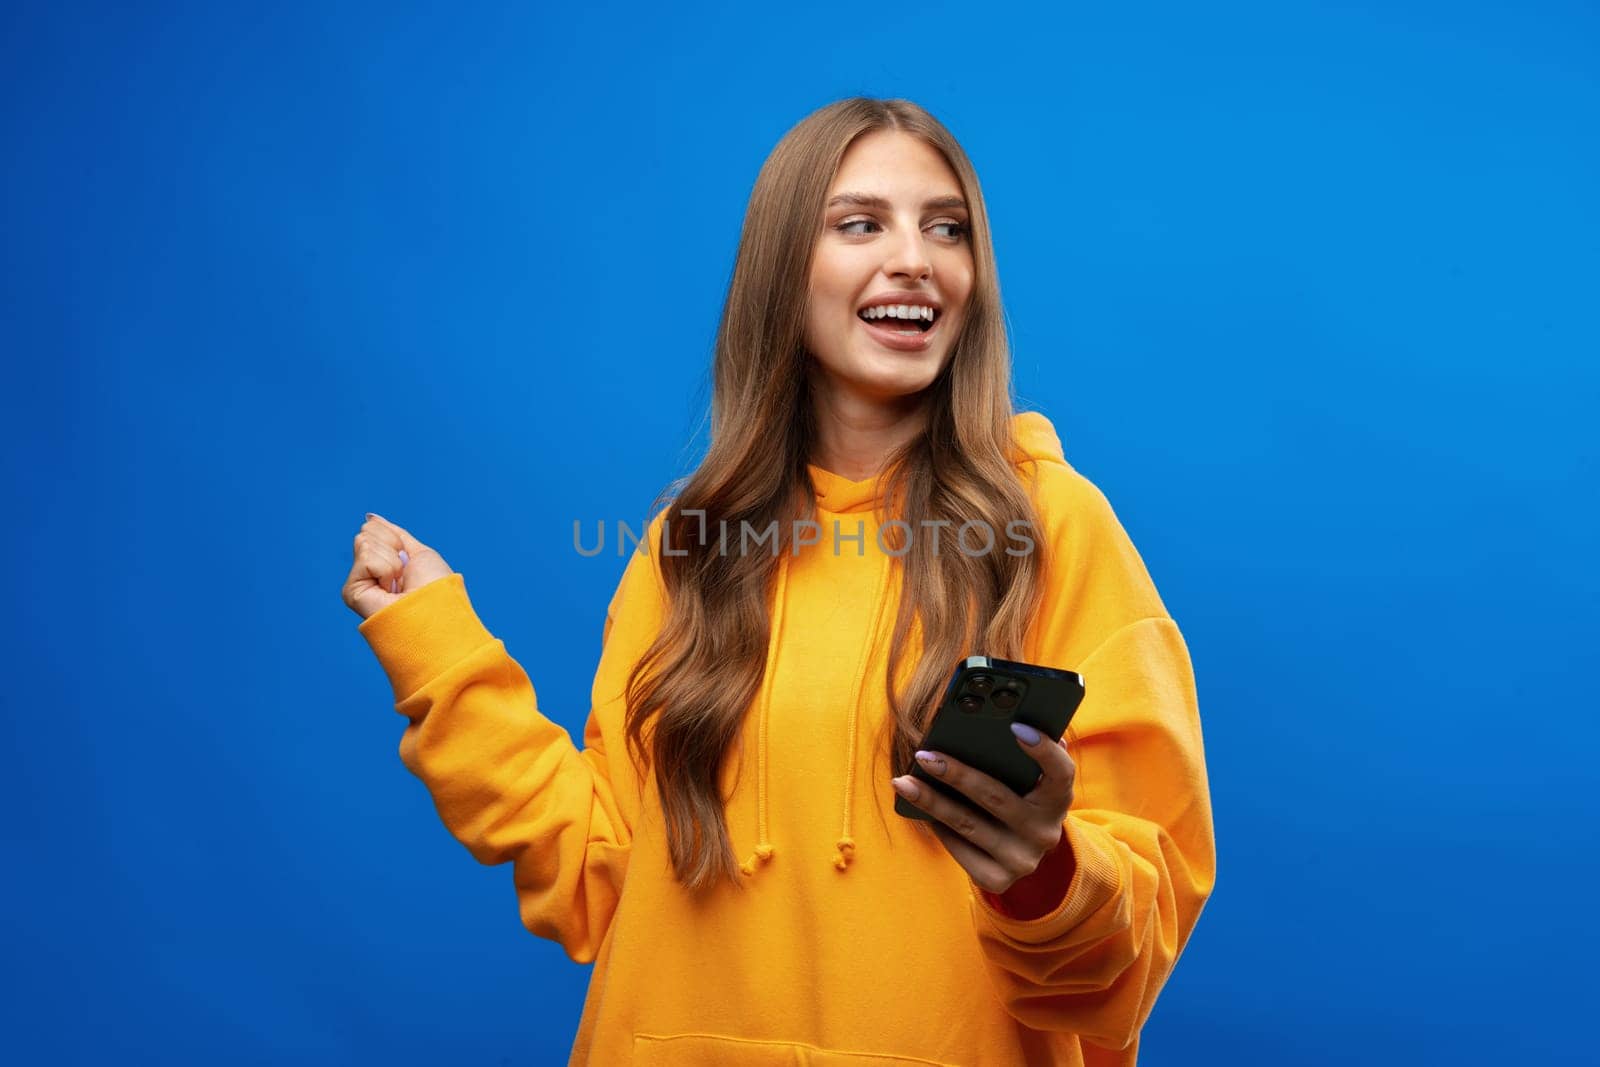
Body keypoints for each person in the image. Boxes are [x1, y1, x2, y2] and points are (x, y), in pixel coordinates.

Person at [342, 97, 1215, 1067]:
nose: (916, 258)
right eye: (859, 223)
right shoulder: (694, 542)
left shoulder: (1053, 528)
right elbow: (595, 877)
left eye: (947, 227)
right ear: (781, 271)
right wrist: (440, 652)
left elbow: (1125, 961)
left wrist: (1046, 874)